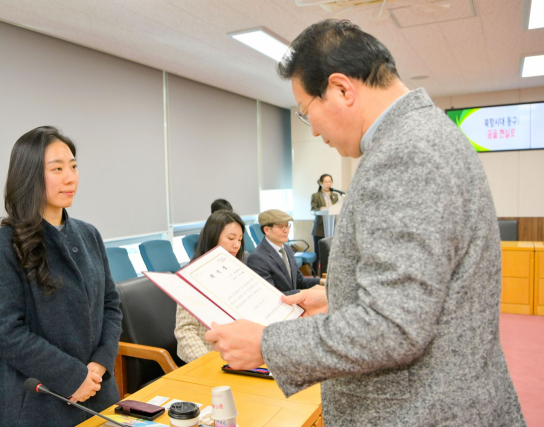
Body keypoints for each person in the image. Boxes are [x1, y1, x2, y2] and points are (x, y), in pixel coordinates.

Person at [205, 19, 525, 426]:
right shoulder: (422, 134)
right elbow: (419, 293)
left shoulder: (405, 154)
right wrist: (340, 296)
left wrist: (267, 345)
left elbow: (392, 327)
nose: (315, 130)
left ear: (341, 88)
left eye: (306, 112)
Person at [0, 126, 122, 427]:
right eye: (57, 169)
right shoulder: (4, 244)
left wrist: (101, 362)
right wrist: (71, 376)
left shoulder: (89, 235)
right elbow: (4, 332)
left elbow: (111, 305)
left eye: (73, 166)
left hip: (98, 393)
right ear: (29, 175)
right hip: (39, 406)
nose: (70, 177)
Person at [174, 210, 246, 363]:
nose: (236, 245)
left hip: (235, 353)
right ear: (214, 238)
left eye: (240, 239)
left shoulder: (236, 270)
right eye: (231, 238)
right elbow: (185, 331)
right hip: (204, 358)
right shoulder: (192, 276)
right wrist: (210, 363)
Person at [247, 209, 322, 294]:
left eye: (287, 226)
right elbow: (271, 294)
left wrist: (321, 282)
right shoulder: (257, 258)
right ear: (267, 230)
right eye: (281, 227)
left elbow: (299, 281)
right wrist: (308, 293)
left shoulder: (287, 249)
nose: (286, 230)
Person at [310, 173, 339, 265]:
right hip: (319, 228)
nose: (328, 184)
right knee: (319, 253)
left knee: (331, 253)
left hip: (332, 227)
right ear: (321, 183)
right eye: (326, 182)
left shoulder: (335, 195)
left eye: (330, 182)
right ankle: (316, 276)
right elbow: (313, 209)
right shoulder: (316, 195)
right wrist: (321, 209)